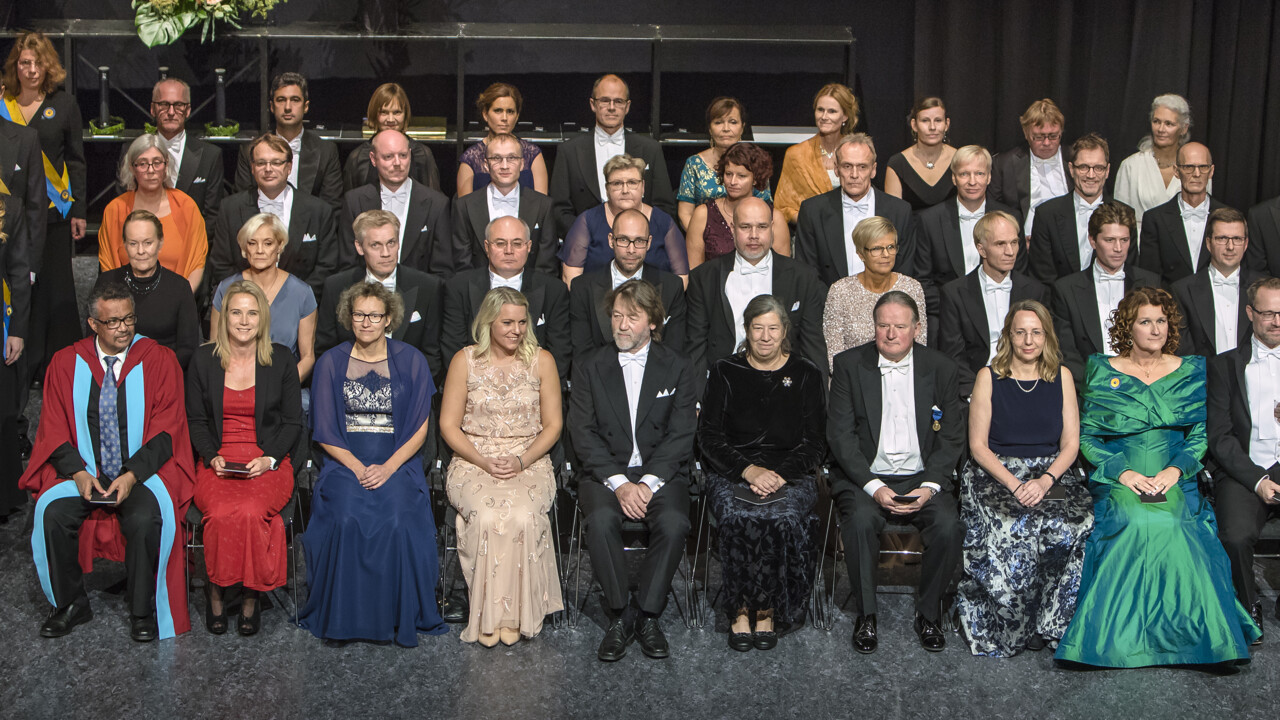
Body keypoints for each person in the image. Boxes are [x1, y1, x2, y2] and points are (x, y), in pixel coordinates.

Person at [1055, 287, 1260, 668]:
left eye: (1161, 321)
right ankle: (1114, 642)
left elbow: (1200, 435)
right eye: (1145, 322)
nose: (1155, 329)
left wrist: (1173, 471)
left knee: (1173, 524)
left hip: (1174, 472)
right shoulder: (1102, 369)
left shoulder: (1192, 369)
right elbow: (1090, 437)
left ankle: (1203, 641)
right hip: (1120, 473)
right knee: (1135, 520)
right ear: (1127, 327)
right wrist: (1124, 472)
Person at [20, 282, 194, 641]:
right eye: (112, 322)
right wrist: (80, 474)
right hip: (85, 470)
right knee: (52, 514)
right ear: (93, 324)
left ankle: (142, 608)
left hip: (142, 472)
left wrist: (131, 476)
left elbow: (167, 431)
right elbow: (52, 429)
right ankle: (70, 603)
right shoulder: (67, 362)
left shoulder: (158, 360)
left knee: (147, 517)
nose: (123, 328)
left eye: (128, 318)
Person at [298, 282, 447, 646]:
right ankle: (346, 616)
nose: (366, 322)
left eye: (374, 316)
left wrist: (388, 468)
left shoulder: (411, 360)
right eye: (359, 315)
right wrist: (357, 467)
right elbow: (325, 431)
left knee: (397, 517)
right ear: (349, 318)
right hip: (344, 463)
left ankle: (397, 614)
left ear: (389, 319)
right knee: (347, 515)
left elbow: (419, 428)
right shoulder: (331, 362)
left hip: (398, 463)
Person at [827, 291, 964, 654]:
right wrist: (873, 487)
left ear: (917, 328)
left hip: (922, 477)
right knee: (858, 522)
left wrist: (931, 486)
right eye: (883, 326)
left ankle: (929, 612)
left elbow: (951, 436)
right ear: (874, 327)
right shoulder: (848, 365)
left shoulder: (941, 368)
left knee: (949, 527)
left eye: (900, 327)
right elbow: (840, 435)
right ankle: (866, 614)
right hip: (866, 477)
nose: (890, 334)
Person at [569, 279, 697, 662]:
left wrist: (648, 484)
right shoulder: (590, 365)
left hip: (661, 473)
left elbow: (681, 434)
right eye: (617, 316)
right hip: (606, 473)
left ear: (653, 322)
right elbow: (583, 433)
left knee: (674, 522)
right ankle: (620, 612)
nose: (621, 325)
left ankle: (647, 613)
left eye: (632, 317)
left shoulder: (677, 366)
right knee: (602, 521)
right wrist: (622, 484)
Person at [956, 299, 1091, 657]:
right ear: (1008, 336)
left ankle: (1052, 623)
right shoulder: (989, 377)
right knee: (1013, 528)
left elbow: (1071, 443)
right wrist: (1016, 485)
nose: (1028, 340)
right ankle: (1013, 628)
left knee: (1072, 526)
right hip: (997, 471)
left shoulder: (1061, 376)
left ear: (1046, 336)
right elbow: (978, 448)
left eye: (1036, 332)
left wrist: (1045, 481)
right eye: (1020, 332)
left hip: (1049, 471)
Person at [698, 294, 824, 652]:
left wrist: (779, 475)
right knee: (738, 517)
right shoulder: (725, 371)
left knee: (780, 518)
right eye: (758, 328)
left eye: (773, 328)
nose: (765, 337)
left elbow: (815, 443)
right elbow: (708, 438)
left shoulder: (806, 374)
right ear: (747, 330)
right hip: (733, 471)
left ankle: (767, 609)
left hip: (791, 474)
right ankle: (739, 609)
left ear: (785, 331)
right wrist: (748, 470)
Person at [440, 287, 564, 646]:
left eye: (522, 322)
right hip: (472, 459)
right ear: (488, 322)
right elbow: (449, 425)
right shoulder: (464, 361)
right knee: (489, 515)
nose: (516, 330)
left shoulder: (543, 361)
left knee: (523, 515)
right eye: (507, 322)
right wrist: (482, 461)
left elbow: (553, 425)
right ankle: (487, 616)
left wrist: (522, 460)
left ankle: (514, 615)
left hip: (529, 459)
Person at [186, 281, 302, 636]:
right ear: (224, 317)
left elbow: (292, 422)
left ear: (263, 318)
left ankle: (251, 597)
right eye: (236, 312)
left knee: (252, 513)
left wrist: (269, 459)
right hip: (218, 460)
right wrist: (211, 456)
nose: (243, 320)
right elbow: (197, 421)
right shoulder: (204, 359)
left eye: (252, 313)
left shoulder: (281, 358)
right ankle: (217, 591)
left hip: (267, 460)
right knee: (220, 513)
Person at [2, 31, 85, 388]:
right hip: (7, 216)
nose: (31, 70)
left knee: (55, 288)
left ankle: (59, 367)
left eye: (37, 63)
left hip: (52, 213)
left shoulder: (63, 104)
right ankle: (24, 360)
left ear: (48, 65)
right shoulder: (4, 102)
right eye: (24, 63)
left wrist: (79, 208)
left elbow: (77, 160)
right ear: (15, 67)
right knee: (21, 288)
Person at [687, 197, 828, 386]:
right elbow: (695, 346)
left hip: (785, 388)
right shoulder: (704, 277)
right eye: (745, 227)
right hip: (723, 388)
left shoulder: (803, 277)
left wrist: (818, 404)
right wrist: (698, 402)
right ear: (732, 227)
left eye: (761, 227)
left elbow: (813, 346)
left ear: (772, 227)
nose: (754, 235)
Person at [1208, 277, 1280, 642]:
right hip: (1245, 469)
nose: (1277, 321)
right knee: (1234, 536)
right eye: (1268, 313)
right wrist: (1258, 480)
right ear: (1251, 313)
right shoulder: (1225, 366)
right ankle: (1247, 606)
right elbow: (1219, 436)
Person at [317, 210, 446, 380]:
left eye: (391, 243)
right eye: (375, 245)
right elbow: (325, 350)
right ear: (359, 247)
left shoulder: (428, 287)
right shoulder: (336, 287)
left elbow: (433, 356)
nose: (386, 253)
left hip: (408, 391)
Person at [911, 145, 1021, 342]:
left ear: (989, 177)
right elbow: (922, 281)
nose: (972, 181)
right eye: (964, 174)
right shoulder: (929, 220)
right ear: (954, 178)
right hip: (947, 314)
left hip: (1001, 310)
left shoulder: (1011, 217)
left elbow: (1021, 274)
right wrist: (956, 306)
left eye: (979, 173)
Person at [442, 216, 570, 383]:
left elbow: (560, 354)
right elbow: (453, 349)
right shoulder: (458, 287)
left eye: (517, 244)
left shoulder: (554, 290)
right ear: (487, 247)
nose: (509, 250)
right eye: (500, 243)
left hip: (534, 391)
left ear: (529, 247)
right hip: (474, 389)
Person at [209, 134, 338, 298]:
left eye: (276, 162)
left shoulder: (319, 210)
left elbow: (327, 266)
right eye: (261, 163)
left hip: (300, 306)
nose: (268, 169)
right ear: (252, 168)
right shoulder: (230, 208)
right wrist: (251, 298)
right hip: (244, 304)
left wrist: (293, 299)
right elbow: (221, 264)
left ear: (289, 167)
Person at [549, 74, 674, 237]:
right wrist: (588, 237)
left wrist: (638, 239)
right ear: (593, 104)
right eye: (605, 101)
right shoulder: (569, 151)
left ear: (627, 106)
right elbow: (559, 210)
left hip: (639, 247)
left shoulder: (651, 149)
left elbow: (664, 207)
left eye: (618, 101)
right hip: (586, 247)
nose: (612, 107)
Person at [939, 211, 1049, 396]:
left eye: (1014, 243)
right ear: (981, 249)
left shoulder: (1035, 291)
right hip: (975, 389)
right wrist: (977, 394)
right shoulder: (954, 293)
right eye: (1000, 244)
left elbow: (1046, 348)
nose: (1010, 252)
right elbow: (953, 356)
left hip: (1027, 385)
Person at [1051, 201, 1160, 381]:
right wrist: (1099, 383)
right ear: (1093, 240)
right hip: (1090, 388)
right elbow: (1066, 352)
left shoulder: (1149, 283)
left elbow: (1158, 342)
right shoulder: (1066, 290)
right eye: (1109, 240)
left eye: (1124, 240)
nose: (1118, 248)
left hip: (1142, 386)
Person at [794, 134, 914, 286]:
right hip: (829, 305)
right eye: (847, 166)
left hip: (886, 305)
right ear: (836, 169)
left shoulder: (900, 211)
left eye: (862, 167)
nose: (854, 175)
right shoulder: (812, 211)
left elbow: (903, 272)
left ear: (873, 170)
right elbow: (808, 274)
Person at [569, 208, 685, 362]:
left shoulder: (672, 286)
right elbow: (582, 352)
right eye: (623, 240)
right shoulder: (582, 287)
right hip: (600, 379)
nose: (631, 250)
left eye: (639, 241)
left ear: (649, 242)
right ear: (611, 240)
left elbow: (674, 351)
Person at [211, 214, 317, 383]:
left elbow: (308, 357)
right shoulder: (226, 288)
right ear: (245, 248)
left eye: (268, 243)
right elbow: (216, 348)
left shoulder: (302, 293)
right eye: (252, 243)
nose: (260, 250)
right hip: (234, 383)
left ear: (280, 246)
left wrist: (283, 387)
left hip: (284, 385)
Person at [99, 134, 207, 294]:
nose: (151, 170)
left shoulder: (186, 207)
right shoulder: (115, 210)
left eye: (157, 163)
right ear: (131, 167)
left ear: (166, 165)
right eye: (142, 164)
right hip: (125, 306)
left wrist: (177, 303)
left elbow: (196, 263)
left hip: (177, 302)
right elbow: (108, 267)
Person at [338, 129, 454, 278]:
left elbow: (443, 270)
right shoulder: (354, 201)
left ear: (410, 155)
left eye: (403, 155)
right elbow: (348, 265)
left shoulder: (437, 203)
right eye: (388, 157)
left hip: (419, 296)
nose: (398, 163)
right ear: (373, 159)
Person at [560, 154, 689, 286]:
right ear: (607, 189)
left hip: (654, 303)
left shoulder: (664, 222)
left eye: (632, 183)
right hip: (598, 303)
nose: (625, 190)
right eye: (617, 184)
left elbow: (681, 279)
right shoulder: (587, 221)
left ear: (643, 186)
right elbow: (571, 279)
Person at [94, 211, 199, 368]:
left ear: (160, 243)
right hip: (113, 373)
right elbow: (93, 340)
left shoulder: (179, 287)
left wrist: (154, 374)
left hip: (163, 374)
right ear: (124, 244)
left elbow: (188, 349)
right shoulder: (107, 282)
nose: (141, 251)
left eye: (148, 243)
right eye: (133, 243)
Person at [823, 216, 928, 370]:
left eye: (891, 247)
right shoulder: (840, 291)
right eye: (877, 249)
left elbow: (920, 344)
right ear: (860, 254)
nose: (886, 254)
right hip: (853, 379)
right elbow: (834, 354)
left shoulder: (912, 288)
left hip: (903, 374)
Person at [451, 132, 559, 276]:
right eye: (496, 158)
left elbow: (546, 266)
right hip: (479, 293)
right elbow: (462, 265)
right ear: (485, 164)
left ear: (521, 163)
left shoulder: (543, 205)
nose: (505, 166)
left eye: (512, 158)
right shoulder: (464, 206)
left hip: (530, 293)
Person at [234, 72, 343, 209]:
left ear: (306, 106)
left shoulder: (326, 151)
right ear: (272, 107)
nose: (287, 107)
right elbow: (243, 204)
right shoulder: (249, 150)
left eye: (295, 100)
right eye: (281, 100)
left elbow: (330, 208)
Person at [1029, 133, 1127, 283]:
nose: (1091, 175)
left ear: (1107, 171)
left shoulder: (1125, 214)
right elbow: (1042, 279)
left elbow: (1129, 274)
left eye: (1098, 168)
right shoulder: (1047, 214)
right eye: (1083, 167)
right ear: (1071, 169)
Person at [1172, 207, 1261, 356]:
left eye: (1237, 239)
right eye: (1222, 239)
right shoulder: (1182, 290)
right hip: (1203, 376)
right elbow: (1183, 351)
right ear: (1208, 243)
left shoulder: (1263, 288)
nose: (1230, 247)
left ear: (1245, 244)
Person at [685, 142, 788, 268]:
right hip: (714, 286)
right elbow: (695, 273)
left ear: (755, 179)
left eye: (741, 176)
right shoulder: (703, 214)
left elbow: (783, 272)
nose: (733, 182)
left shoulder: (774, 217)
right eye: (728, 174)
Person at [676, 97, 773, 230]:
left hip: (750, 238)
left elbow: (766, 209)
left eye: (733, 122)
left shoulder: (756, 161)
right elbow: (685, 213)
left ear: (742, 127)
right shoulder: (694, 164)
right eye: (718, 122)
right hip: (706, 240)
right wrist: (702, 240)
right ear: (710, 129)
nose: (726, 128)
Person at [1137, 142, 1225, 287]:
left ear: (1211, 171)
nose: (1196, 174)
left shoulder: (1229, 217)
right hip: (1170, 305)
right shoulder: (1155, 219)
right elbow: (1150, 277)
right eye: (1189, 167)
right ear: (1176, 171)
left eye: (1203, 167)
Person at [143, 77, 225, 225]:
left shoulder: (210, 156)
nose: (171, 112)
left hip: (192, 245)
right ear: (152, 109)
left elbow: (213, 216)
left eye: (178, 105)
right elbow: (125, 208)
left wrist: (188, 247)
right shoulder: (133, 152)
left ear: (188, 110)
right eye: (163, 104)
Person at [774, 83, 858, 224]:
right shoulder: (796, 154)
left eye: (832, 111)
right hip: (809, 233)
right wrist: (814, 224)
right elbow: (783, 207)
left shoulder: (856, 152)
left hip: (852, 230)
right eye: (820, 110)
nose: (824, 116)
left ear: (845, 116)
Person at [990, 99, 1072, 237]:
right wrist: (1019, 241)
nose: (1046, 143)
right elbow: (993, 210)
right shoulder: (1004, 164)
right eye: (1039, 137)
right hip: (1024, 243)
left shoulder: (1075, 158)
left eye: (1053, 136)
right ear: (1025, 133)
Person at [1115, 94, 1201, 226]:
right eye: (1156, 121)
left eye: (1169, 124)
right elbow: (1119, 218)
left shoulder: (1198, 167)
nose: (1161, 129)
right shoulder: (1131, 165)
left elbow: (1202, 216)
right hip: (1140, 243)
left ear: (1184, 128)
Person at [342, 82, 441, 193]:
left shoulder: (422, 155)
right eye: (384, 112)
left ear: (405, 114)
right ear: (375, 114)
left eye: (397, 112)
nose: (390, 119)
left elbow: (434, 202)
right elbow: (351, 203)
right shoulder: (357, 158)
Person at [456, 82, 548, 196]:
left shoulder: (532, 153)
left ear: (517, 116)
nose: (504, 118)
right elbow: (465, 209)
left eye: (510, 112)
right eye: (498, 111)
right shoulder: (471, 158)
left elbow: (542, 206)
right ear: (485, 114)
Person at [0, 197, 30, 520]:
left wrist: (17, 330)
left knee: (2, 410)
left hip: (1, 322)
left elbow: (20, 271)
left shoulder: (10, 209)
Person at [884, 97, 956, 212]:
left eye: (938, 120)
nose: (932, 127)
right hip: (910, 230)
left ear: (946, 124)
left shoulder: (960, 160)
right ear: (914, 125)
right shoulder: (897, 164)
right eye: (925, 120)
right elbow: (894, 216)